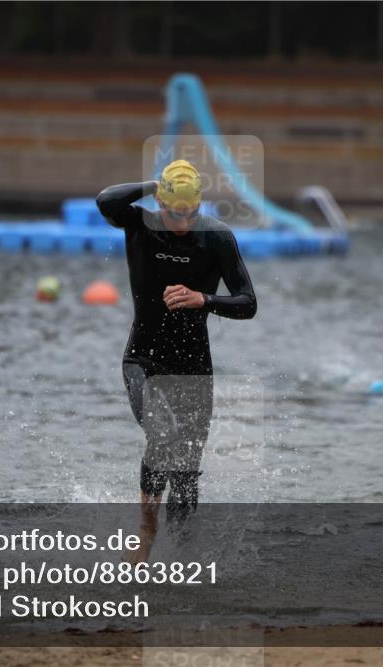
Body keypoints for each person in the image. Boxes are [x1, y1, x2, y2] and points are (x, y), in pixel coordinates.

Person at [96, 159, 257, 563]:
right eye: (174, 211)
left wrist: (205, 299)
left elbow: (248, 303)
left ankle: (183, 558)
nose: (183, 221)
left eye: (191, 212)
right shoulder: (139, 225)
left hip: (193, 367)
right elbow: (106, 199)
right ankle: (146, 532)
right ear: (160, 204)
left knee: (186, 472)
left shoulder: (216, 237)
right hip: (144, 358)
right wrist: (157, 183)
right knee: (162, 433)